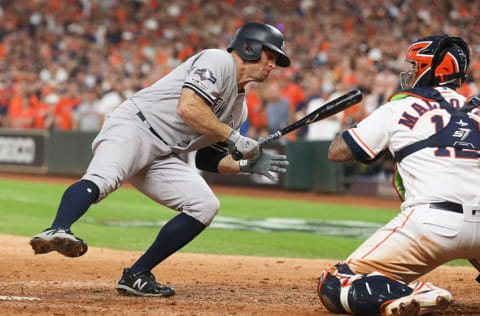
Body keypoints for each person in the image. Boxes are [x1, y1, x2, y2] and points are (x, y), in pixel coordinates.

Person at [30, 22, 290, 297]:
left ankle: (137, 274)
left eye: (275, 60)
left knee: (205, 205)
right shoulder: (218, 60)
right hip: (135, 127)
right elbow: (188, 107)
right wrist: (235, 139)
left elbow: (206, 160)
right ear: (248, 47)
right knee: (104, 180)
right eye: (269, 55)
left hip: (163, 153)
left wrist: (247, 166)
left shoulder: (239, 111)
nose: (272, 65)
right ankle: (57, 229)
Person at [317, 35, 480, 316]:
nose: (411, 72)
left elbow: (338, 152)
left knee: (334, 283)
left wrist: (362, 128)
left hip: (432, 227)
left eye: (416, 66)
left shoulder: (398, 107)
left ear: (431, 70)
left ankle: (418, 293)